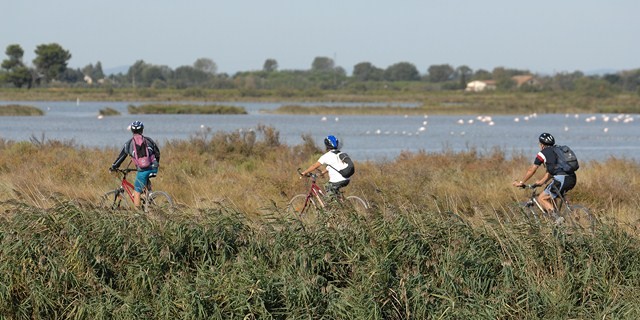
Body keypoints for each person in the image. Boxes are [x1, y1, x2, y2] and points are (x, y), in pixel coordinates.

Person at [512, 132, 577, 223]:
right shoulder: (557, 150)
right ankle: (557, 225)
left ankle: (558, 219)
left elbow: (532, 169)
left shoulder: (543, 153)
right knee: (551, 197)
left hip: (561, 179)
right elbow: (551, 171)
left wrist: (521, 182)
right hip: (572, 178)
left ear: (542, 145)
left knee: (541, 198)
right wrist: (542, 182)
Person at [110, 120, 160, 209]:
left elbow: (121, 158)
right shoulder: (149, 140)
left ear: (132, 131)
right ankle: (148, 195)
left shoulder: (129, 144)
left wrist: (114, 166)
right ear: (142, 130)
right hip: (153, 168)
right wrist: (155, 164)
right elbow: (157, 153)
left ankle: (138, 214)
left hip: (143, 170)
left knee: (136, 191)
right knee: (144, 181)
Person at [299, 135, 351, 200]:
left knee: (327, 187)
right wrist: (321, 173)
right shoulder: (340, 154)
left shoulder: (326, 156)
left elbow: (315, 166)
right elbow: (330, 167)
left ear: (326, 145)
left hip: (337, 180)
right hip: (347, 179)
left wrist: (304, 172)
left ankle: (330, 207)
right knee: (335, 194)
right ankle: (340, 203)